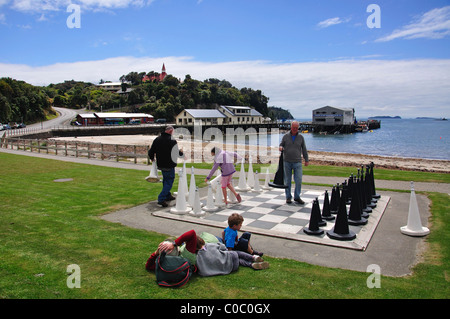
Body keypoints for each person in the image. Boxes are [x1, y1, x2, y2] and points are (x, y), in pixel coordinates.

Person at [145, 230, 269, 276]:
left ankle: (251, 263)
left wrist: (156, 253)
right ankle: (253, 257)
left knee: (239, 260)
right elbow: (191, 233)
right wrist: (175, 243)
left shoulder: (164, 261)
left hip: (226, 265)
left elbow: (148, 266)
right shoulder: (188, 252)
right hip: (228, 256)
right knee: (237, 254)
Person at [148, 126, 184, 207]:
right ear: (170, 131)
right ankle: (161, 198)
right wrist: (181, 153)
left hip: (160, 164)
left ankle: (167, 195)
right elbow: (176, 153)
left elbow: (151, 151)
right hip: (169, 164)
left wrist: (152, 158)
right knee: (169, 181)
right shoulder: (172, 140)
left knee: (165, 180)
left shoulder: (157, 139)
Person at [279, 121, 309, 204]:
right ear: (291, 127)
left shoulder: (301, 137)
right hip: (287, 161)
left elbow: (304, 149)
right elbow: (281, 144)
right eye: (294, 127)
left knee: (298, 179)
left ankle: (297, 196)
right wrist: (281, 147)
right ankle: (288, 197)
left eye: (296, 128)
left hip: (297, 162)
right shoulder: (285, 136)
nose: (295, 129)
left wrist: (306, 160)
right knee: (287, 180)